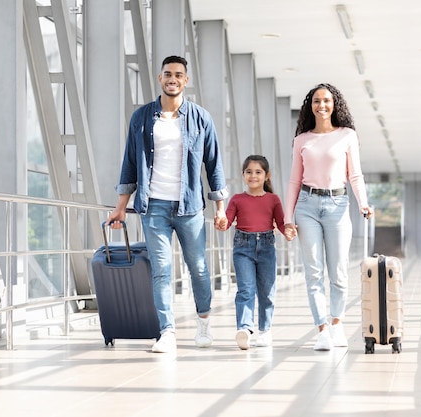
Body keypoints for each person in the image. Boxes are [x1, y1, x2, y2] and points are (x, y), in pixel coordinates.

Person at [106, 55, 228, 354]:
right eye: (167, 74)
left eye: (178, 74)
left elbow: (214, 165)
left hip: (189, 207)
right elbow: (130, 162)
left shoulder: (201, 118)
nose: (172, 78)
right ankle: (167, 331)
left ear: (186, 80)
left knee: (198, 268)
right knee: (161, 269)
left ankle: (203, 323)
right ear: (160, 79)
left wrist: (221, 207)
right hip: (153, 205)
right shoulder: (142, 117)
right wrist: (121, 205)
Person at [283, 83, 374, 351]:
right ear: (310, 106)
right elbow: (293, 182)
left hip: (337, 205)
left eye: (326, 101)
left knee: (338, 272)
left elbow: (355, 175)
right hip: (307, 206)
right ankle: (321, 329)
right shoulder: (301, 140)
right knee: (313, 273)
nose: (321, 105)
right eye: (316, 101)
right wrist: (288, 217)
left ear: (335, 105)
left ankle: (337, 324)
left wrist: (363, 203)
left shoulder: (347, 135)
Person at [216, 155, 289, 350]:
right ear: (243, 175)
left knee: (267, 292)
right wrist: (222, 222)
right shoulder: (237, 199)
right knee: (246, 290)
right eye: (249, 172)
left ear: (267, 176)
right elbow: (228, 221)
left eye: (258, 172)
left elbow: (281, 223)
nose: (253, 176)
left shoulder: (273, 199)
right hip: (243, 248)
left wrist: (288, 231)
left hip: (266, 248)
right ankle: (245, 329)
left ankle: (265, 331)